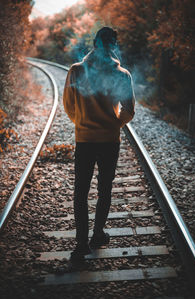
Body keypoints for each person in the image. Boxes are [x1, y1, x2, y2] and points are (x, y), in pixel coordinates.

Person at [63, 27, 135, 264]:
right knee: (105, 188)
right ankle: (97, 235)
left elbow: (68, 106)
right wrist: (114, 124)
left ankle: (81, 242)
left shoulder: (76, 71)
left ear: (94, 43)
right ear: (113, 46)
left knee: (81, 191)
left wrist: (83, 123)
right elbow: (129, 110)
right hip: (109, 141)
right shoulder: (122, 74)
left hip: (84, 140)